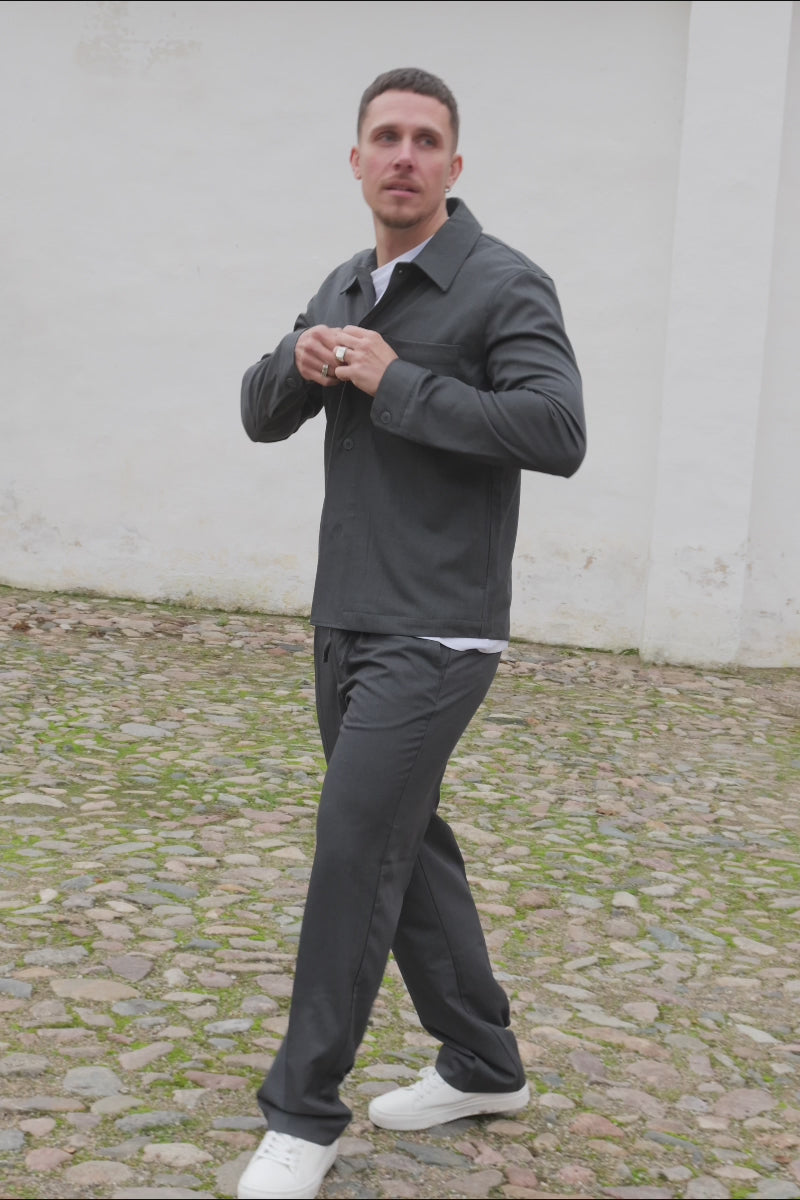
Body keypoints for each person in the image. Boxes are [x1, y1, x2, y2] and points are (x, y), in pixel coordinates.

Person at [236, 67, 585, 1200]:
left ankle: (302, 1112)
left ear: (453, 165)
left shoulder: (501, 282)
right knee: (403, 840)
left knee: (353, 848)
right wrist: (294, 362)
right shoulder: (346, 283)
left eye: (424, 139)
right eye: (384, 136)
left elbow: (556, 429)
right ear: (355, 161)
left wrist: (399, 384)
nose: (403, 155)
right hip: (347, 616)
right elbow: (258, 417)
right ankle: (482, 1062)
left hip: (438, 631)